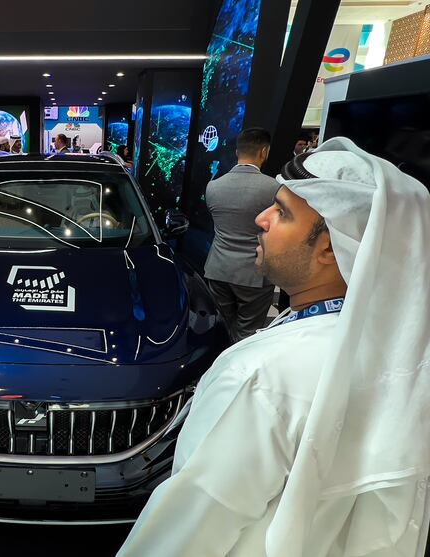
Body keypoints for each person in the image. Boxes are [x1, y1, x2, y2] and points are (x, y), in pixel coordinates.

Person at [118, 136, 430, 556]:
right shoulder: (408, 355)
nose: (261, 219)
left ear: (328, 247)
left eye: (282, 213)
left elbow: (191, 526)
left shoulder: (261, 375)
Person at [203, 128, 280, 342]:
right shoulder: (274, 188)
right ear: (264, 152)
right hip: (254, 273)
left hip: (218, 268)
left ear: (237, 152)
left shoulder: (213, 187)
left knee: (221, 327)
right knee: (248, 333)